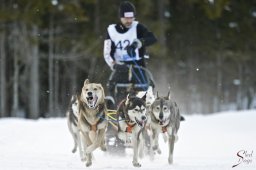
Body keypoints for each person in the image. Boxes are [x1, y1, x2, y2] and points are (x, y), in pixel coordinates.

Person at [103, 1, 157, 103]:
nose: (129, 21)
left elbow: (152, 38)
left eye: (131, 18)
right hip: (120, 67)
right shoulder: (111, 31)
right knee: (115, 91)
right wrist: (113, 64)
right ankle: (115, 110)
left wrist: (138, 43)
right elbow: (107, 52)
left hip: (138, 66)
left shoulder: (138, 27)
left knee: (145, 91)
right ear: (120, 17)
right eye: (126, 18)